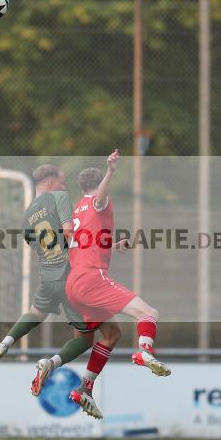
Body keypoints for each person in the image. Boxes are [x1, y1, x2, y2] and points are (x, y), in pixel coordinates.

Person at [0, 163, 118, 399]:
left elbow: (37, 248)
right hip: (71, 275)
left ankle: (3, 344)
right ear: (51, 182)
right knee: (96, 337)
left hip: (47, 275)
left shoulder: (26, 216)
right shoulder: (59, 197)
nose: (64, 187)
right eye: (62, 182)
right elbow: (68, 233)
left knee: (35, 313)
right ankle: (54, 366)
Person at [65, 150, 170, 419]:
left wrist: (112, 243)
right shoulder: (99, 202)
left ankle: (84, 389)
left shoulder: (77, 210)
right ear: (98, 183)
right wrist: (111, 170)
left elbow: (84, 241)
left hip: (74, 284)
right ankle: (144, 352)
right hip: (91, 278)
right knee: (149, 313)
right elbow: (100, 199)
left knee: (111, 335)